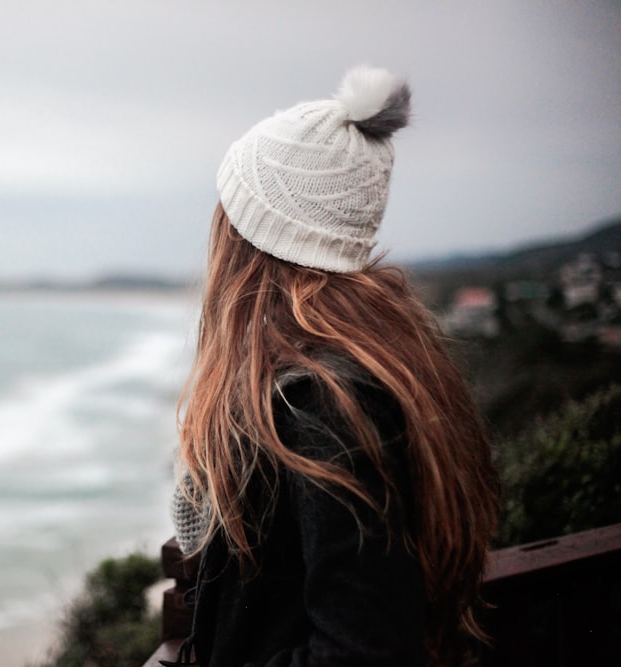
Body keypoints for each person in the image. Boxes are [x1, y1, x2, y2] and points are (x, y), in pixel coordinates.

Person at [167, 66, 501, 666]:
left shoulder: (322, 403)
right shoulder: (386, 354)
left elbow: (364, 650)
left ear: (253, 239)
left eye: (229, 210)